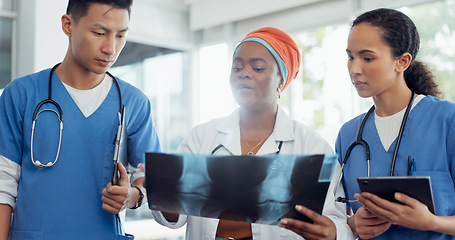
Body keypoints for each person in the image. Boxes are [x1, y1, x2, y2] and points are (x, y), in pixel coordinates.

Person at [152, 27, 354, 240]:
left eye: (257, 68)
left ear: (281, 81)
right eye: (236, 67)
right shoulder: (201, 137)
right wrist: (164, 193)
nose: (244, 73)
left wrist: (331, 232)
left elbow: (339, 224)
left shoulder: (311, 145)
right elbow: (173, 219)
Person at [0, 0, 161, 239]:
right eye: (99, 33)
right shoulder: (21, 95)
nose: (111, 48)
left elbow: (151, 177)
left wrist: (133, 196)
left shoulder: (134, 102)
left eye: (120, 35)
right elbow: (3, 185)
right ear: (68, 25)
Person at [335, 8, 455, 239]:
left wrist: (432, 222)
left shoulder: (446, 120)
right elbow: (339, 215)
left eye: (367, 58)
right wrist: (353, 224)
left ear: (402, 61)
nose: (354, 69)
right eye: (351, 56)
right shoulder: (348, 135)